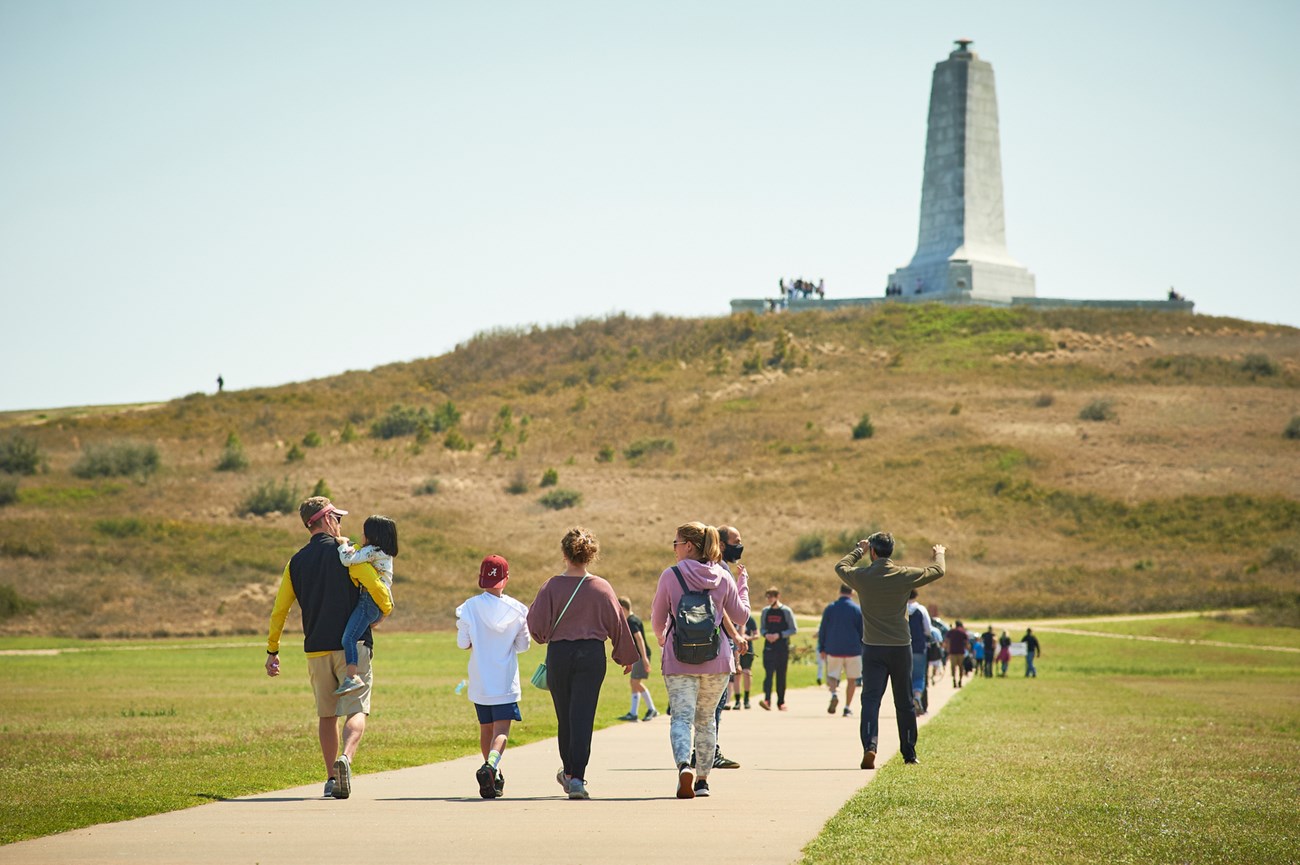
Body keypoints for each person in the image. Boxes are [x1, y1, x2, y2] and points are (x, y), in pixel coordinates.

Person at [265, 497, 393, 799]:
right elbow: (375, 587)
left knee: (326, 715)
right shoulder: (346, 554)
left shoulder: (295, 563)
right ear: (326, 520)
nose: (340, 522)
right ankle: (345, 759)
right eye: (337, 516)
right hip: (353, 646)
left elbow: (279, 609)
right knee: (357, 709)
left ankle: (331, 778)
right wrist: (385, 610)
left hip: (316, 649)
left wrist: (273, 650)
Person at [527, 526, 639, 800]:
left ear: (564, 553)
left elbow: (536, 626)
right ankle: (577, 777)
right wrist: (625, 656)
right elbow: (618, 624)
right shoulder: (601, 587)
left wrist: (546, 634)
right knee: (583, 716)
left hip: (560, 655)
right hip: (591, 655)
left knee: (564, 717)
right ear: (591, 556)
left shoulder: (551, 586)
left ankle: (568, 772)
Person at [650, 521, 749, 799]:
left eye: (676, 543)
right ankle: (703, 780)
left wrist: (661, 638)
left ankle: (684, 766)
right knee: (706, 721)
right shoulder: (722, 575)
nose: (674, 548)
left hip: (678, 658)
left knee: (681, 718)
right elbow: (741, 616)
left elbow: (657, 620)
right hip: (716, 660)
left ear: (689, 546)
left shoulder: (670, 576)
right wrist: (743, 587)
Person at [835, 532, 946, 769]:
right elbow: (938, 571)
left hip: (873, 648)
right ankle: (909, 753)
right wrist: (939, 554)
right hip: (900, 648)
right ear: (891, 552)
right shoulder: (903, 574)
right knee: (904, 702)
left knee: (871, 700)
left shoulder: (862, 576)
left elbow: (841, 566)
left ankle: (870, 747)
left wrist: (858, 550)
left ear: (873, 552)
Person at [456, 555, 530, 799]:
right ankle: (490, 767)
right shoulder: (518, 610)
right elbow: (523, 645)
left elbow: (462, 643)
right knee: (502, 731)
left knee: (485, 729)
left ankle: (493, 775)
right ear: (506, 579)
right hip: (505, 681)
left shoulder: (468, 607)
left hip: (479, 680)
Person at [333, 515, 398, 695]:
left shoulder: (373, 551)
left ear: (373, 536)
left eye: (365, 532)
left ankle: (352, 677)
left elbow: (348, 560)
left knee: (348, 638)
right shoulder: (384, 553)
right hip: (377, 604)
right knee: (354, 635)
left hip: (369, 601)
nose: (362, 535)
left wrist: (343, 544)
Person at [818, 585, 863, 717]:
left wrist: (822, 647)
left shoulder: (830, 608)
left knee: (832, 675)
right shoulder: (857, 609)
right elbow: (863, 631)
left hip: (833, 648)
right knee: (852, 679)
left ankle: (834, 693)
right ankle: (847, 707)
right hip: (853, 650)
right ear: (852, 593)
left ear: (840, 592)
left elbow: (823, 629)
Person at [617, 597, 659, 722]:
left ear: (623, 609)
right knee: (633, 683)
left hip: (641, 655)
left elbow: (639, 639)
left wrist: (645, 658)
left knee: (636, 683)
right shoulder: (632, 619)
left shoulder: (631, 621)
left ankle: (652, 709)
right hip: (638, 655)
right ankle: (633, 712)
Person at [758, 587, 797, 710]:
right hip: (769, 648)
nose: (768, 599)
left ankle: (781, 702)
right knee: (768, 674)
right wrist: (766, 635)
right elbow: (762, 628)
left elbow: (793, 629)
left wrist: (779, 635)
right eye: (767, 596)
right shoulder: (765, 611)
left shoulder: (786, 611)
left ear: (777, 596)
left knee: (781, 675)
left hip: (782, 648)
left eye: (771, 596)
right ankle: (767, 700)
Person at [907, 590, 933, 715]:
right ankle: (917, 696)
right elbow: (928, 629)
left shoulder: (900, 609)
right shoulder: (921, 609)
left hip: (903, 647)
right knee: (919, 675)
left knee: (906, 677)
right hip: (918, 647)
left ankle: (908, 702)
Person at [730, 613, 758, 709]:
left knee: (746, 672)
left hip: (746, 650)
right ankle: (737, 700)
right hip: (734, 650)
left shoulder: (749, 619)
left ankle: (746, 699)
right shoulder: (731, 619)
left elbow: (757, 634)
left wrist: (748, 638)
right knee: (737, 675)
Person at [945, 619, 969, 688]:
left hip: (953, 652)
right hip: (961, 652)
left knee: (953, 667)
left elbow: (947, 640)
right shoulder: (963, 632)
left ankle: (954, 680)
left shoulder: (951, 631)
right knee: (961, 667)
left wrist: (947, 649)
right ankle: (960, 681)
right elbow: (966, 643)